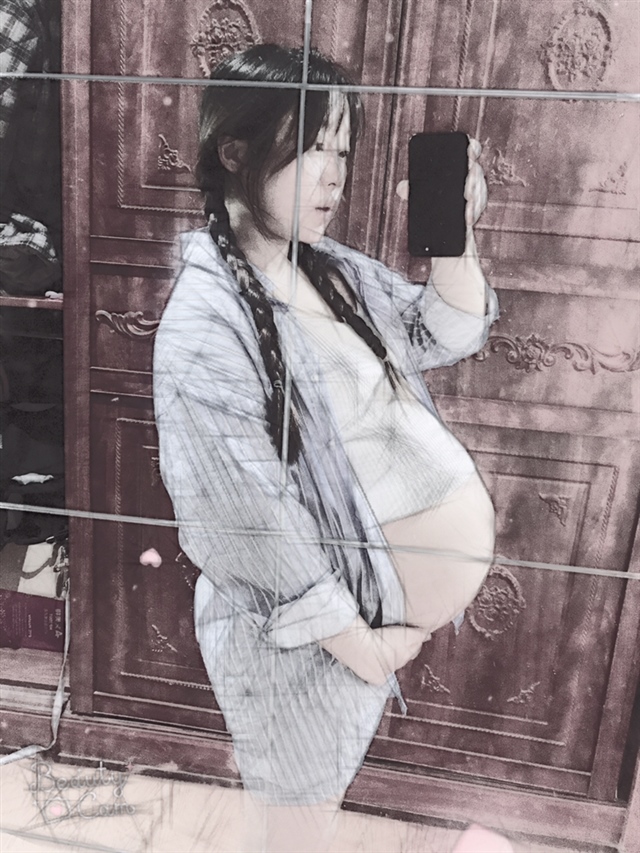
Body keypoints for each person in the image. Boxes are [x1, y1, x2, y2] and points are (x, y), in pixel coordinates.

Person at [153, 44, 499, 853]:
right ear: (234, 151)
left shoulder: (327, 268)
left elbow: (441, 332)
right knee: (293, 833)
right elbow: (243, 519)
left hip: (357, 629)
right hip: (306, 647)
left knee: (305, 821)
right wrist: (363, 646)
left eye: (343, 151)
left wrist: (456, 240)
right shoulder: (204, 324)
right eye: (312, 148)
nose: (335, 176)